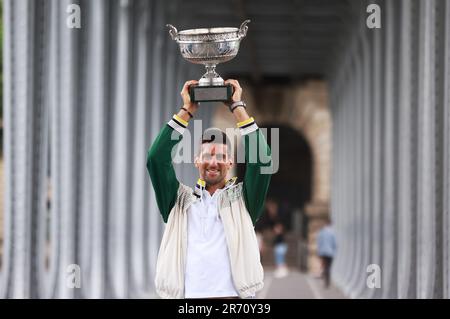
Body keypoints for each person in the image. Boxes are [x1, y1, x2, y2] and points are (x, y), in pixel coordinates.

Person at [147, 79, 272, 299]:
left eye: (221, 156)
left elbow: (262, 161)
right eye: (207, 155)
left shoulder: (244, 201)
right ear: (196, 161)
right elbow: (156, 159)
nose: (213, 162)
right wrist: (186, 111)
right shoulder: (177, 201)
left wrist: (237, 107)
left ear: (231, 163)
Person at [317, 218, 337, 288]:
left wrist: (319, 251)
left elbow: (319, 242)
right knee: (329, 266)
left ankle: (326, 281)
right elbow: (335, 243)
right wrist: (334, 250)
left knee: (325, 266)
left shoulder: (322, 232)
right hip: (330, 252)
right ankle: (327, 281)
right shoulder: (332, 232)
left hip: (323, 251)